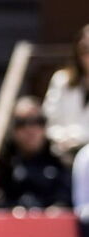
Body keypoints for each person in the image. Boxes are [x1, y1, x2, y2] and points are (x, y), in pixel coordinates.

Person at [0, 96, 71, 208]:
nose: (30, 129)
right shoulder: (2, 164)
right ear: (12, 129)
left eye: (37, 122)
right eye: (21, 123)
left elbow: (66, 200)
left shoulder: (60, 161)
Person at [43, 25, 89, 159]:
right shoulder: (61, 80)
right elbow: (49, 119)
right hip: (61, 154)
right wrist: (64, 139)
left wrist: (79, 140)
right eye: (85, 50)